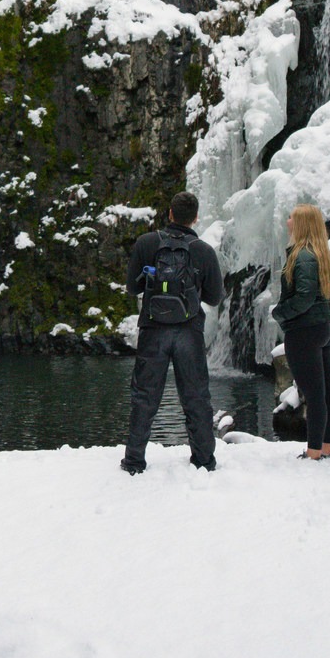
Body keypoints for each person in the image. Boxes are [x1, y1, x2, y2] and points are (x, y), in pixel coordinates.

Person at [120, 192, 226, 474]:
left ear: (170, 213)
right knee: (196, 397)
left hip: (152, 329)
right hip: (189, 331)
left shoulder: (146, 243)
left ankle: (134, 461)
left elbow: (132, 287)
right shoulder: (203, 251)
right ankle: (203, 459)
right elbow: (215, 297)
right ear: (196, 218)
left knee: (144, 396)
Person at [271, 204, 330, 461]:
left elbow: (304, 297)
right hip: (323, 327)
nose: (287, 221)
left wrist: (280, 313)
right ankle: (327, 446)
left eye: (291, 217)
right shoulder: (318, 253)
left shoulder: (302, 256)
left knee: (313, 394)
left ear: (301, 224)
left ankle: (313, 452)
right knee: (327, 391)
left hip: (305, 330)